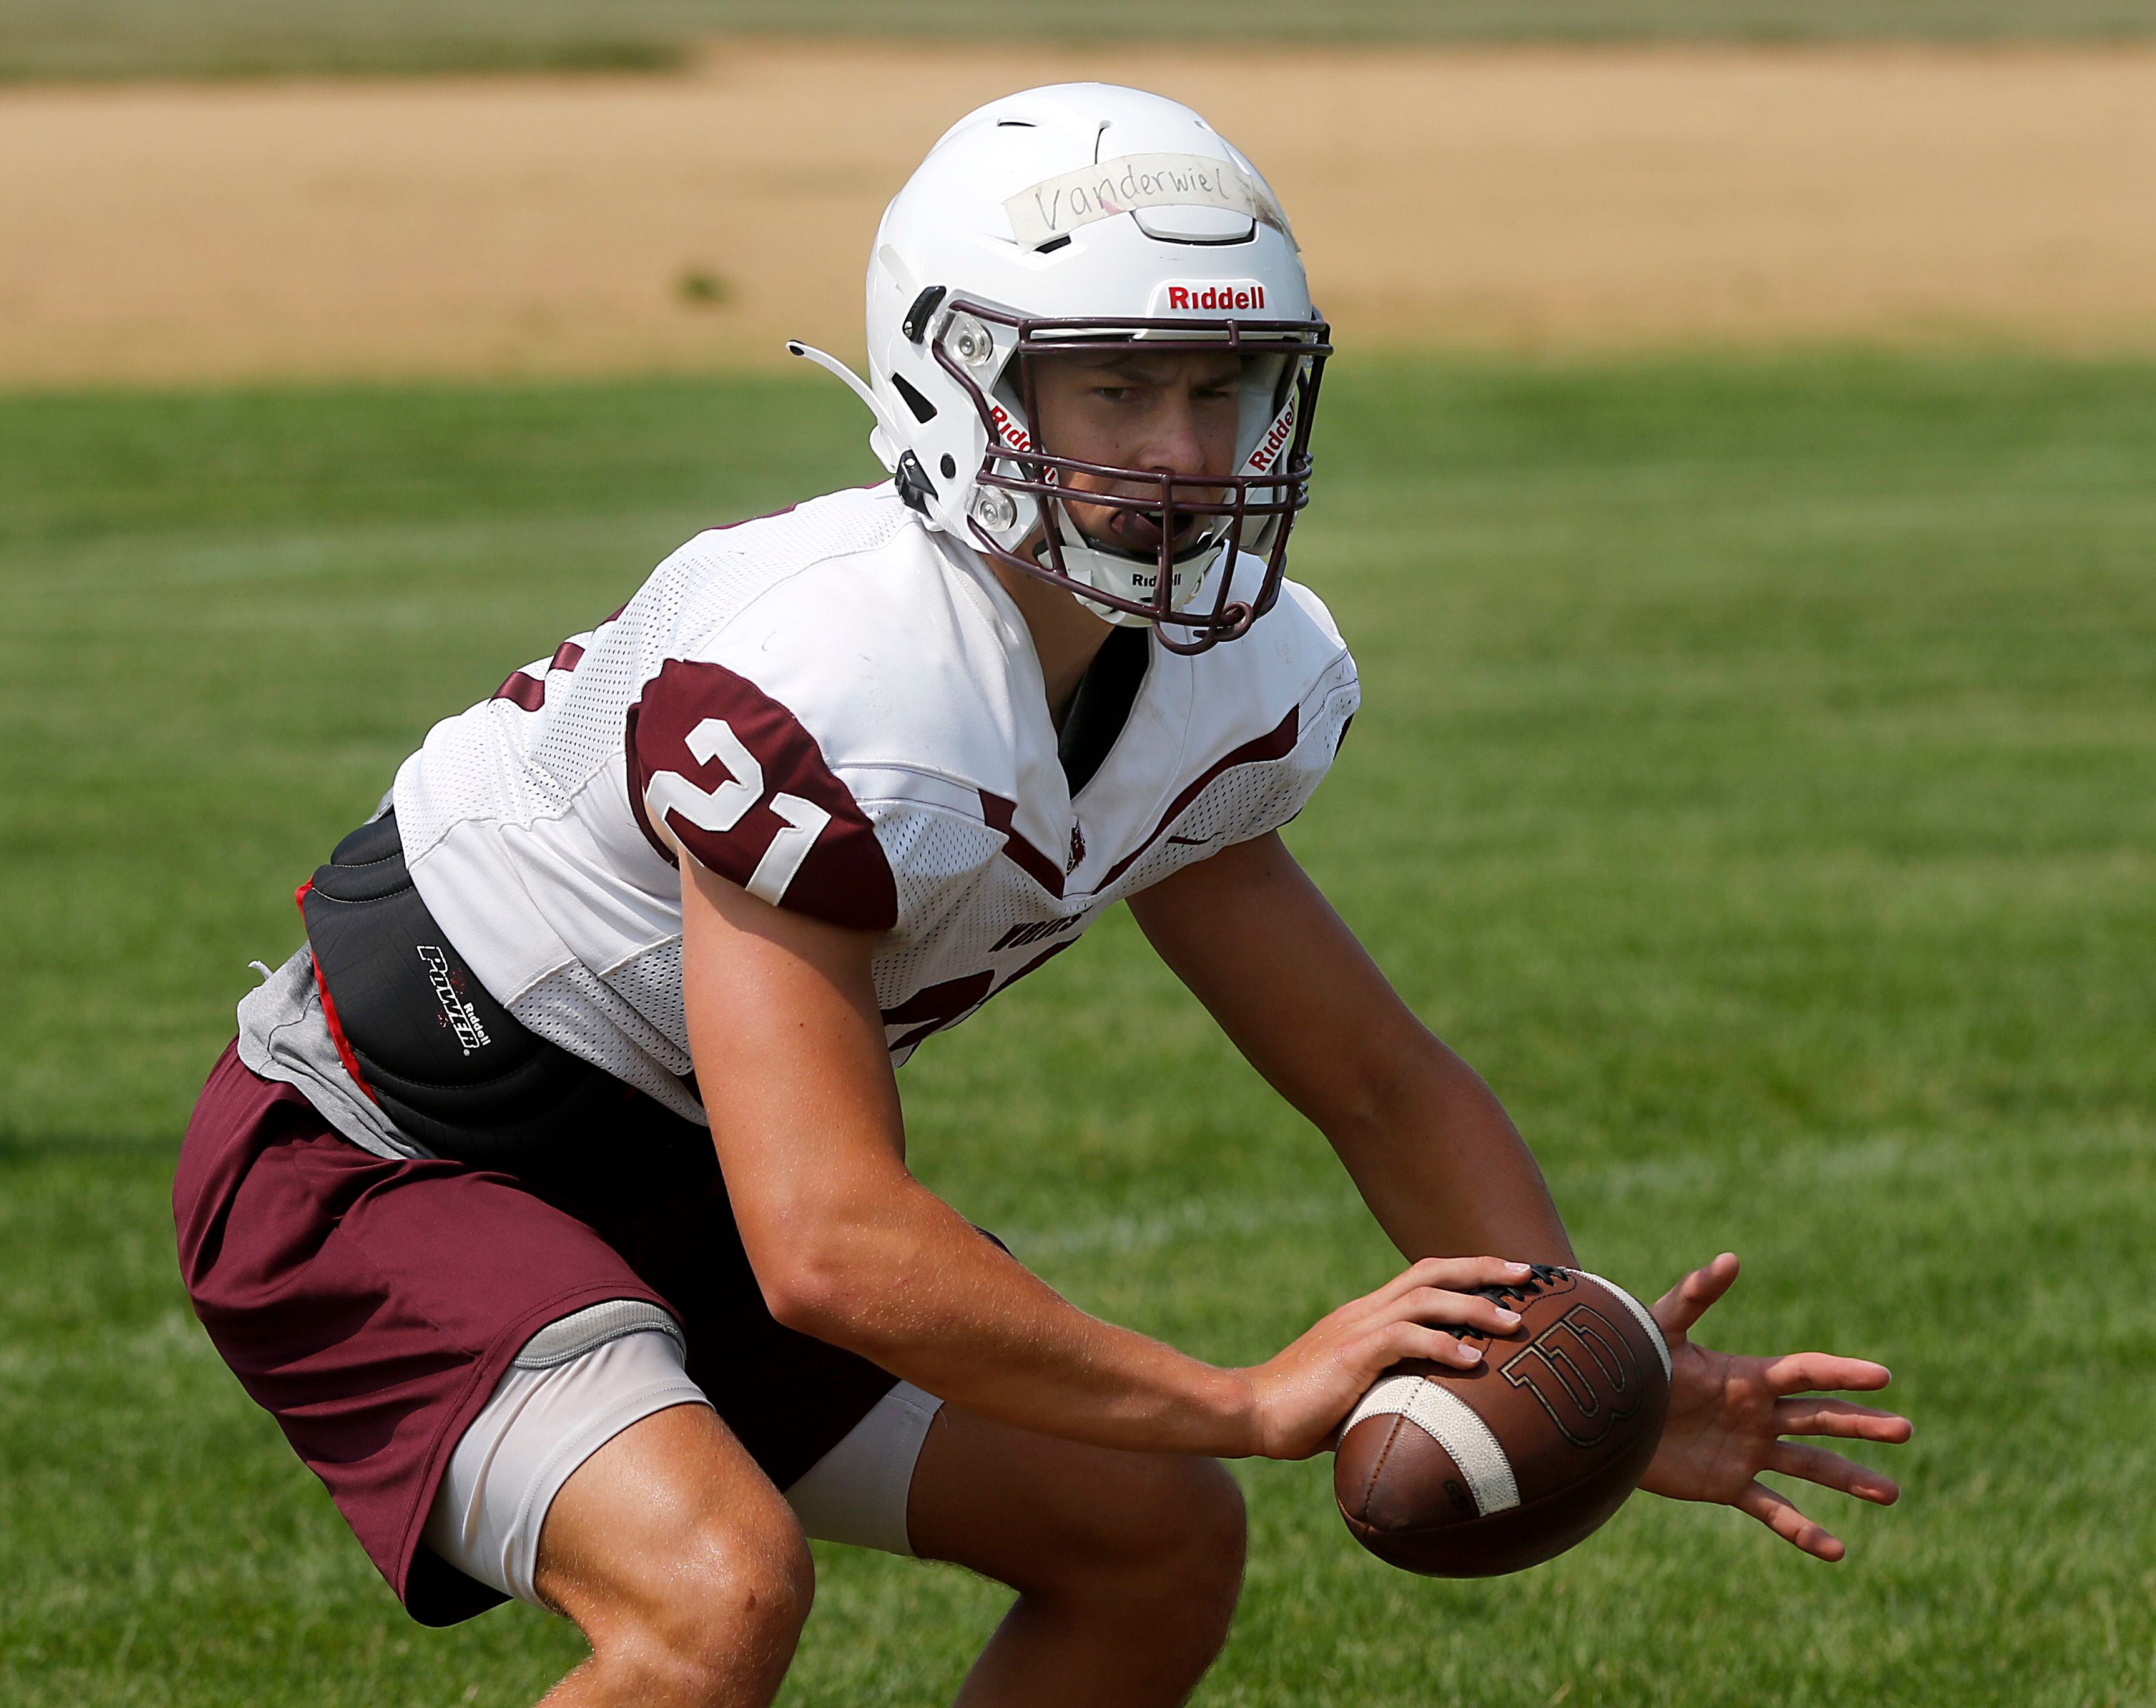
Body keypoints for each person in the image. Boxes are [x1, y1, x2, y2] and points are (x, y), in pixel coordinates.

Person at [174, 84, 1911, 1708]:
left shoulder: (1218, 678)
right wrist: (1241, 1399)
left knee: (1150, 1544)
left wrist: (1579, 1360)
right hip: (395, 1142)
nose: (1184, 449)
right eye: (1118, 387)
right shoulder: (839, 672)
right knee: (711, 1591)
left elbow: (1374, 1076)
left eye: (1218, 391)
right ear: (965, 384)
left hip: (675, 1162)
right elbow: (833, 1245)